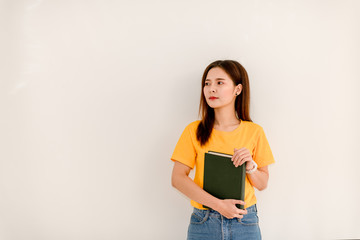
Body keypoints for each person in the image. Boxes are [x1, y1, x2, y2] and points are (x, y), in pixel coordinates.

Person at [170, 60, 275, 240]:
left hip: (245, 222)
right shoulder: (193, 130)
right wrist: (219, 205)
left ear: (238, 89)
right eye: (207, 83)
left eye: (220, 82)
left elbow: (262, 184)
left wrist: (250, 166)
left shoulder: (254, 131)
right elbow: (177, 178)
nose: (211, 89)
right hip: (203, 222)